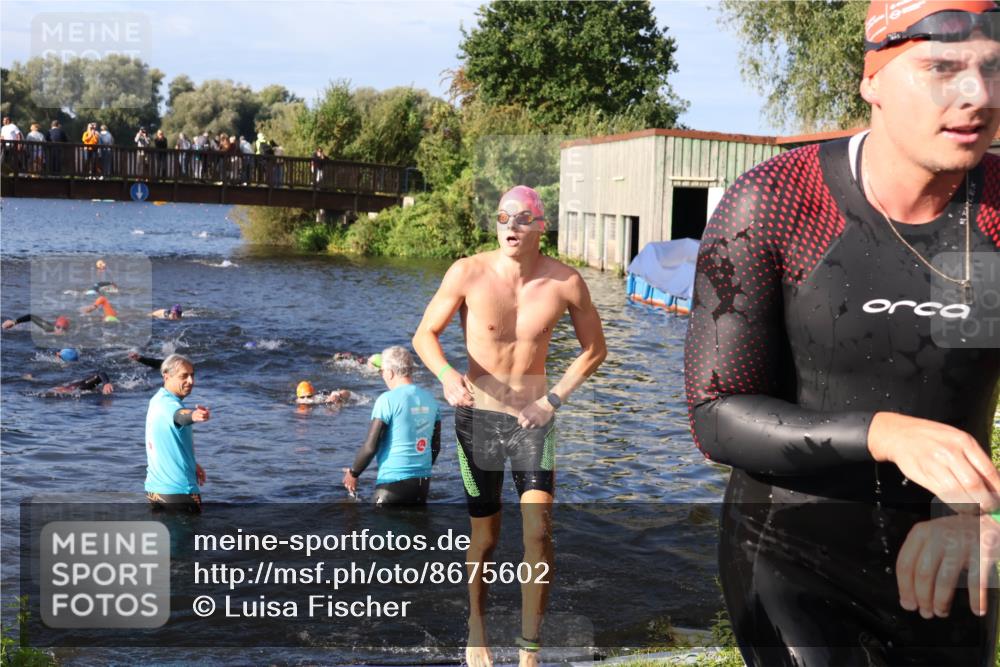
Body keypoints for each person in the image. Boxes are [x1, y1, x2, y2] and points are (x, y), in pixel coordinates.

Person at [683, 2, 1000, 664]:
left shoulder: (995, 214)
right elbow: (716, 414)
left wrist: (988, 514)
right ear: (872, 80)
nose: (977, 94)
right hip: (790, 552)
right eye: (941, 68)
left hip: (951, 556)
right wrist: (883, 433)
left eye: (993, 68)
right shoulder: (776, 203)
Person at [412, 185, 606, 667]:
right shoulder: (468, 272)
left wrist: (552, 399)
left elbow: (595, 350)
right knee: (486, 538)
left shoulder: (565, 282)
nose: (511, 226)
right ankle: (476, 629)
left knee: (538, 531)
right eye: (503, 218)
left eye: (521, 218)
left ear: (541, 226)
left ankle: (528, 650)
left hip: (532, 421)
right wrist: (446, 375)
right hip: (477, 417)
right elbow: (424, 335)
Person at [341, 346, 441, 506]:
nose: (382, 375)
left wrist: (353, 473)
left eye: (382, 371)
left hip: (391, 486)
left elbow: (370, 447)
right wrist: (419, 469)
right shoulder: (431, 399)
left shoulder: (386, 400)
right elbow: (435, 446)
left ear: (390, 372)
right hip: (422, 486)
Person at [145, 354, 209, 513]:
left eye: (192, 375)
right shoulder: (171, 405)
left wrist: (191, 464)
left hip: (155, 490)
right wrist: (194, 415)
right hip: (180, 492)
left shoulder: (157, 400)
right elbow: (180, 416)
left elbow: (166, 440)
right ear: (166, 377)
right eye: (184, 376)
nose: (191, 381)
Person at [2, 314, 70, 334]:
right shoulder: (48, 328)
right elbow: (31, 316)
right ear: (55, 326)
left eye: (63, 329)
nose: (60, 330)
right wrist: (14, 322)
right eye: (58, 327)